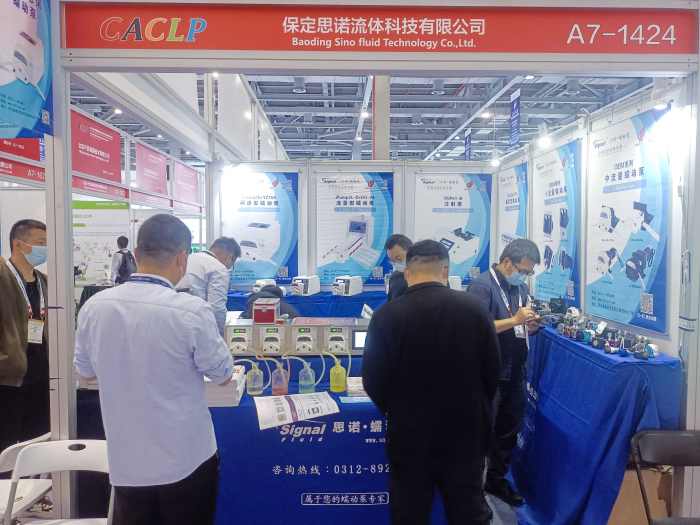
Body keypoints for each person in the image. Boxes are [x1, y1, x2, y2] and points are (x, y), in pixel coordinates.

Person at [74, 214, 234, 525]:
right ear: (182, 258)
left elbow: (85, 372)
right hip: (186, 459)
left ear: (135, 254)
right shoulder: (191, 310)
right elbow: (222, 374)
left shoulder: (95, 307)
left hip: (127, 461)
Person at [363, 240, 500, 525]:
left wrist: (397, 409)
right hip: (465, 432)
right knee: (468, 511)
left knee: (409, 513)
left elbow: (373, 380)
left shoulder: (386, 316)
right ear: (445, 270)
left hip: (409, 433)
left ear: (407, 273)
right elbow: (492, 372)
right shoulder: (476, 310)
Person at [467, 239, 541, 508]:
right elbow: (475, 327)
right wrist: (514, 320)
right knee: (480, 433)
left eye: (529, 272)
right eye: (523, 270)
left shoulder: (520, 287)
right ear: (507, 262)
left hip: (515, 371)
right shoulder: (482, 286)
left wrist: (530, 325)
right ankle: (471, 491)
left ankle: (496, 481)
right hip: (489, 374)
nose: (525, 276)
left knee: (508, 431)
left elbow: (520, 323)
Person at [0, 220, 49, 453]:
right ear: (18, 244)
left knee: (37, 444)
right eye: (41, 243)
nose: (45, 249)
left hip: (41, 378)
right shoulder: (3, 277)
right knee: (7, 446)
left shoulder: (44, 281)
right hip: (9, 380)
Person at [178, 237, 240, 336]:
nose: (229, 267)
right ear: (230, 257)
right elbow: (216, 309)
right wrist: (220, 337)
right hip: (195, 326)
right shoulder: (219, 268)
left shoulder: (188, 259)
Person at [384, 234, 413, 302]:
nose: (396, 263)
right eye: (392, 261)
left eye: (398, 258)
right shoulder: (394, 277)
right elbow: (390, 302)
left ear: (411, 252)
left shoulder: (423, 277)